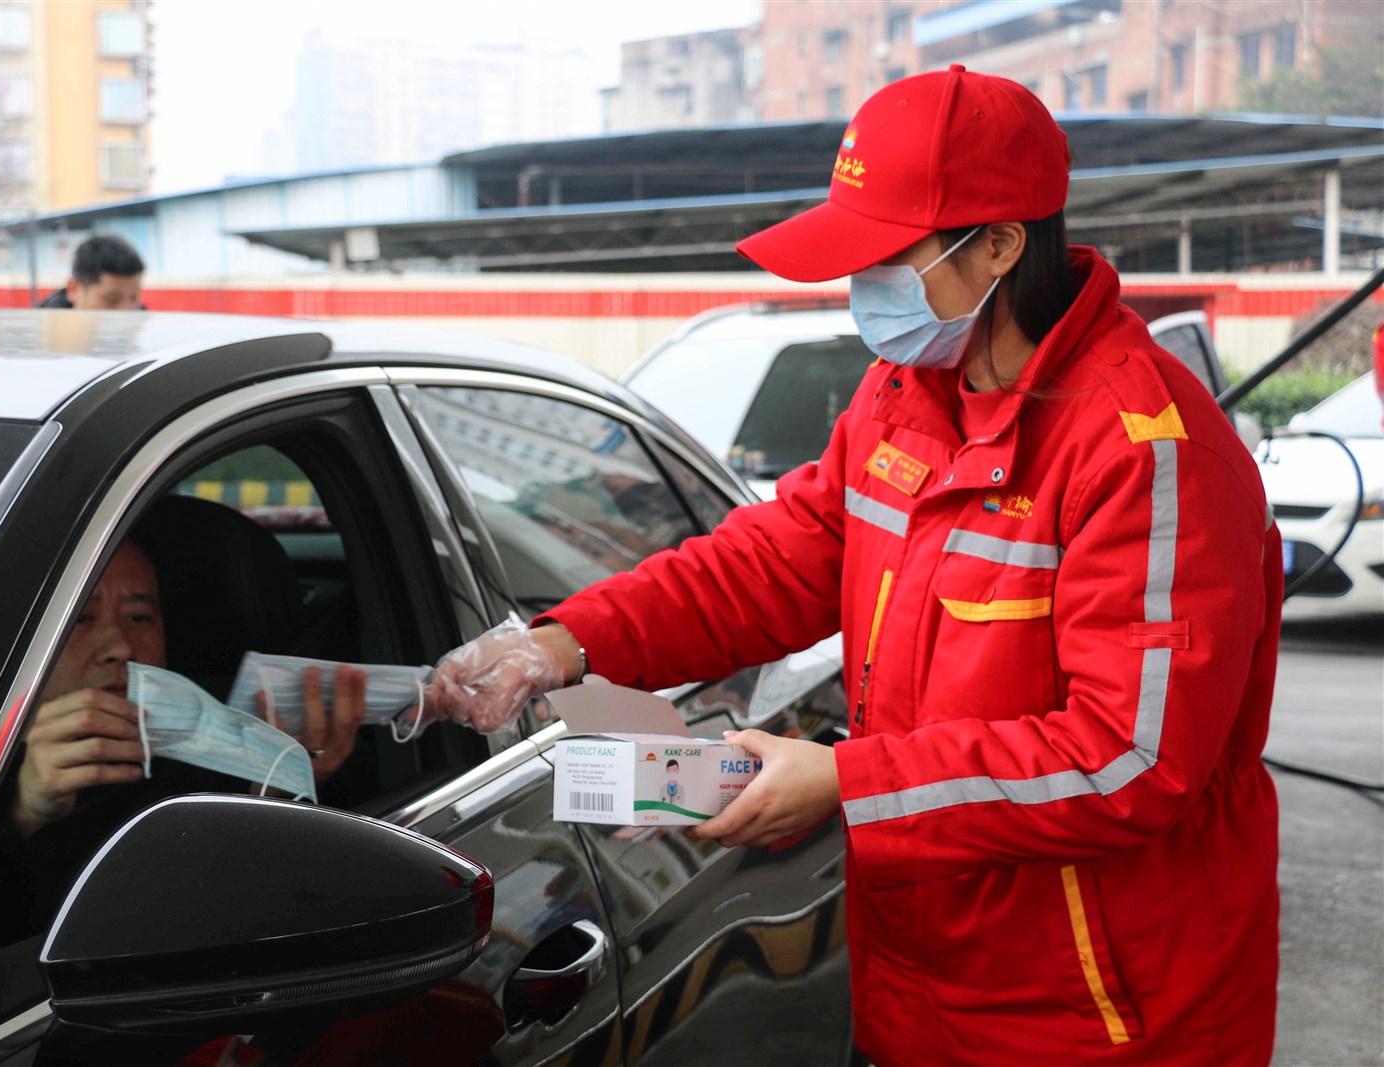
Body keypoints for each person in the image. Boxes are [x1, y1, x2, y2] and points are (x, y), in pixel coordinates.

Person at [427, 66, 1281, 1065]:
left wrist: (849, 782)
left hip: (1102, 1017)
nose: (860, 286)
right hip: (919, 988)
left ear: (1000, 244)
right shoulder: (903, 394)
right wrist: (567, 642)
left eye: (887, 257)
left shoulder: (1145, 449)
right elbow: (776, 561)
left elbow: (1129, 756)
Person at [0, 536, 366, 943]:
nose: (120, 647)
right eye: (81, 618)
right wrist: (23, 815)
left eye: (139, 617)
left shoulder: (229, 763)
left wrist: (280, 791)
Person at [37, 233, 145, 310]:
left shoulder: (145, 325)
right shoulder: (41, 330)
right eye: (112, 300)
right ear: (73, 289)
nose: (127, 310)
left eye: (134, 297)